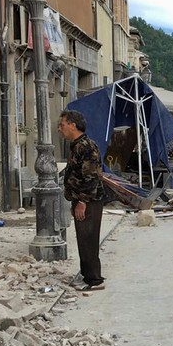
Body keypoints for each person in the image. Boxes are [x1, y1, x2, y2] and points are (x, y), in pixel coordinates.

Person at [59, 109, 106, 291]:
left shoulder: (86, 146)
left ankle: (95, 280)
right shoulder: (77, 145)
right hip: (82, 198)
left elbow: (91, 176)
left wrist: (83, 201)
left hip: (89, 200)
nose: (60, 129)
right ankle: (88, 275)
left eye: (62, 125)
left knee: (88, 238)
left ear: (73, 125)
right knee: (84, 239)